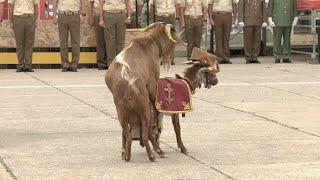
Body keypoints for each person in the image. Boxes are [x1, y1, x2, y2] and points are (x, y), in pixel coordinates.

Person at [53, 0, 85, 72]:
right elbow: (55, 2)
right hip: (62, 15)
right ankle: (65, 64)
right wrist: (54, 16)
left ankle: (74, 64)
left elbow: (83, 1)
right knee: (63, 41)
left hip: (75, 15)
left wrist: (83, 14)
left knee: (75, 41)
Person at [99, 0, 131, 68]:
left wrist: (129, 17)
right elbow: (101, 3)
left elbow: (127, 2)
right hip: (108, 13)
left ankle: (120, 63)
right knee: (110, 41)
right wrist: (101, 19)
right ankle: (111, 64)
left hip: (121, 13)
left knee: (121, 40)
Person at [9, 0, 39, 72]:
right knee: (19, 43)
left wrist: (35, 20)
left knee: (29, 43)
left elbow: (36, 6)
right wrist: (11, 21)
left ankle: (28, 65)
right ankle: (21, 65)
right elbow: (11, 6)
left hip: (30, 17)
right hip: (17, 18)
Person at [150, 0, 181, 65]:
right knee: (160, 39)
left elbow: (177, 5)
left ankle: (170, 58)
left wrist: (177, 17)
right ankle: (161, 58)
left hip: (171, 16)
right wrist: (152, 20)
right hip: (160, 16)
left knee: (171, 38)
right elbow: (152, 6)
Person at [208, 0, 237, 64]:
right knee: (218, 37)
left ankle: (226, 57)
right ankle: (219, 58)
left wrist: (234, 17)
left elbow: (234, 5)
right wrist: (210, 18)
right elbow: (210, 5)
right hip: (217, 15)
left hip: (228, 15)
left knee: (226, 37)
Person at [88, 0, 108, 70]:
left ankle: (110, 62)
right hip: (98, 13)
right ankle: (101, 62)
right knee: (100, 40)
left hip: (110, 13)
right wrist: (90, 17)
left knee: (111, 40)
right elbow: (90, 3)